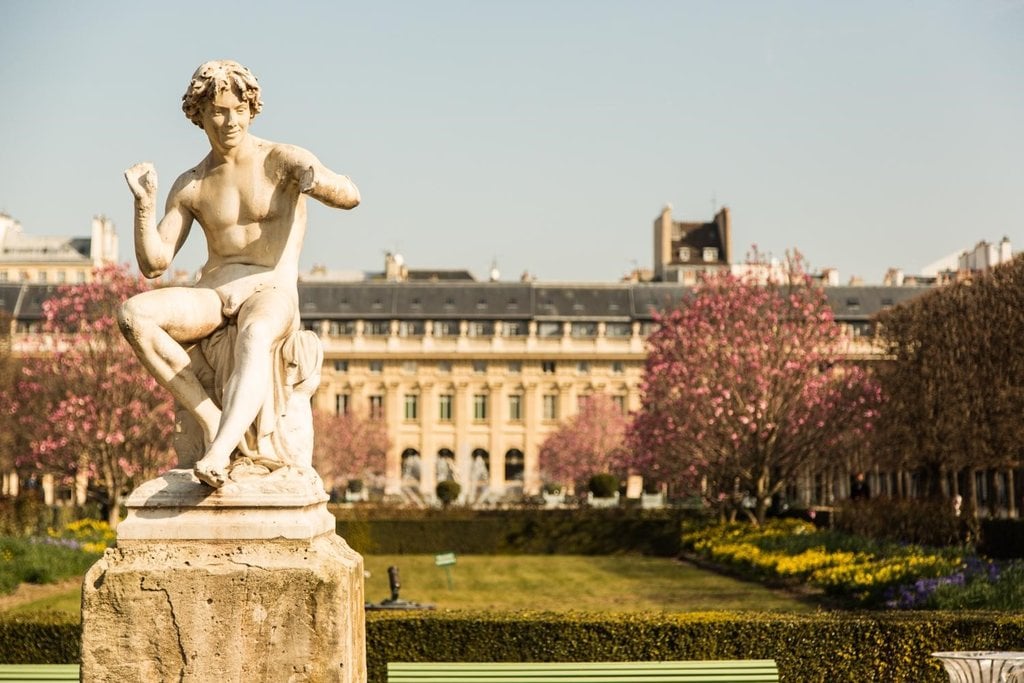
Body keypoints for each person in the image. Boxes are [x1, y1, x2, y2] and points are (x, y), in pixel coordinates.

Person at [118, 60, 360, 488]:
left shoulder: (281, 160)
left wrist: (316, 180)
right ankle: (210, 419)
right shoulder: (192, 183)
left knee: (255, 333)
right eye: (218, 110)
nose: (229, 121)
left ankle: (219, 451)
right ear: (199, 114)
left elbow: (350, 195)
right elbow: (155, 263)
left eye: (238, 110)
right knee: (134, 316)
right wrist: (144, 203)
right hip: (214, 291)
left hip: (271, 287)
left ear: (251, 109)